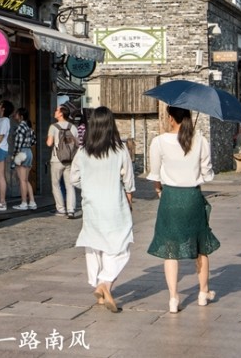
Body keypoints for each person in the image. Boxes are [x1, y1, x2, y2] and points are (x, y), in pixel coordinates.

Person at [147, 106, 219, 312]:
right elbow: (207, 174)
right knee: (201, 246)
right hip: (193, 197)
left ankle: (173, 298)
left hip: (170, 197)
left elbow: (154, 174)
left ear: (170, 118)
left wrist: (159, 190)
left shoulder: (159, 141)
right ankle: (203, 292)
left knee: (170, 248)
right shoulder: (200, 140)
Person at [69, 106, 135, 313]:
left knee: (95, 246)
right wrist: (130, 198)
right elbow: (129, 181)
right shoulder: (120, 150)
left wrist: (88, 186)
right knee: (119, 245)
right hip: (114, 203)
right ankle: (104, 283)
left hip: (91, 205)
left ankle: (100, 287)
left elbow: (74, 178)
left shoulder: (83, 152)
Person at [46, 103, 78, 217]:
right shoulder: (72, 127)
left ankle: (61, 209)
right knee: (70, 185)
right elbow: (77, 144)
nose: (55, 112)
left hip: (57, 159)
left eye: (57, 110)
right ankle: (71, 210)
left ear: (61, 114)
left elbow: (49, 143)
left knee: (56, 185)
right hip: (70, 160)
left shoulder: (53, 127)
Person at [11, 107, 37, 211]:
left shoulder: (20, 127)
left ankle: (23, 203)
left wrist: (14, 155)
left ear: (21, 116)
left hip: (21, 152)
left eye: (16, 114)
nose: (14, 115)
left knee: (22, 180)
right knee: (26, 180)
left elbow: (18, 143)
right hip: (29, 152)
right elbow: (34, 142)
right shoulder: (29, 127)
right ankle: (32, 202)